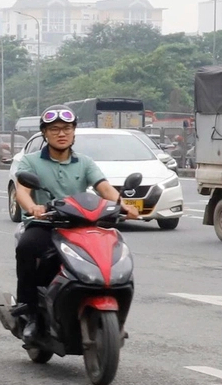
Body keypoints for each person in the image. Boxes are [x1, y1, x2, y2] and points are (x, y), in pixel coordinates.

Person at [11, 107, 137, 332]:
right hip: (45, 224)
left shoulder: (84, 162)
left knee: (111, 250)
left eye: (67, 129)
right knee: (27, 247)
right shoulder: (30, 162)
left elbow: (104, 187)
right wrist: (32, 207)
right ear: (45, 134)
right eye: (55, 129)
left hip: (80, 224)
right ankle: (28, 309)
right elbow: (22, 190)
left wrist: (123, 205)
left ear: (74, 132)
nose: (62, 134)